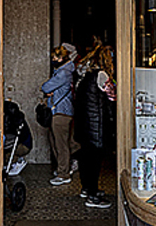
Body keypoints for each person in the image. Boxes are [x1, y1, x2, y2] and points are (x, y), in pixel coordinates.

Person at [73, 46, 116, 208]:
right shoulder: (101, 75)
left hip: (84, 124)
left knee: (86, 157)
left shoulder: (83, 76)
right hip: (96, 125)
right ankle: (93, 196)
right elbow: (112, 97)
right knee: (94, 161)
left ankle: (87, 188)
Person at [41, 45, 79, 185]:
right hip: (59, 111)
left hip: (61, 112)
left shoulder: (63, 73)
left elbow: (45, 87)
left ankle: (64, 174)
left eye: (55, 57)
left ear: (62, 58)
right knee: (57, 142)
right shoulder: (63, 70)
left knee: (60, 145)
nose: (53, 59)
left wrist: (48, 90)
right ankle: (64, 167)